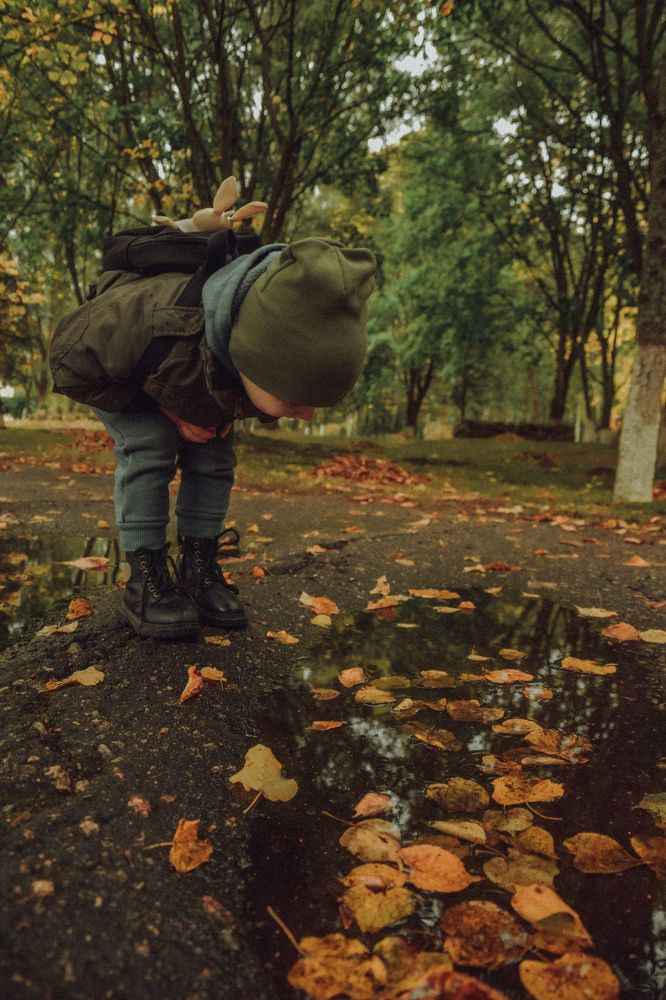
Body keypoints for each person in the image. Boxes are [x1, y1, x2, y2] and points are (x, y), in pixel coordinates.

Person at [50, 237, 376, 640]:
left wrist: (211, 409)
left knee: (214, 452)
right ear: (251, 358)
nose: (305, 415)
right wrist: (164, 408)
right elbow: (67, 364)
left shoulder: (252, 343)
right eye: (296, 399)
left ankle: (197, 568)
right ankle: (144, 578)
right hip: (121, 375)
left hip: (193, 375)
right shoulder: (152, 316)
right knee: (151, 443)